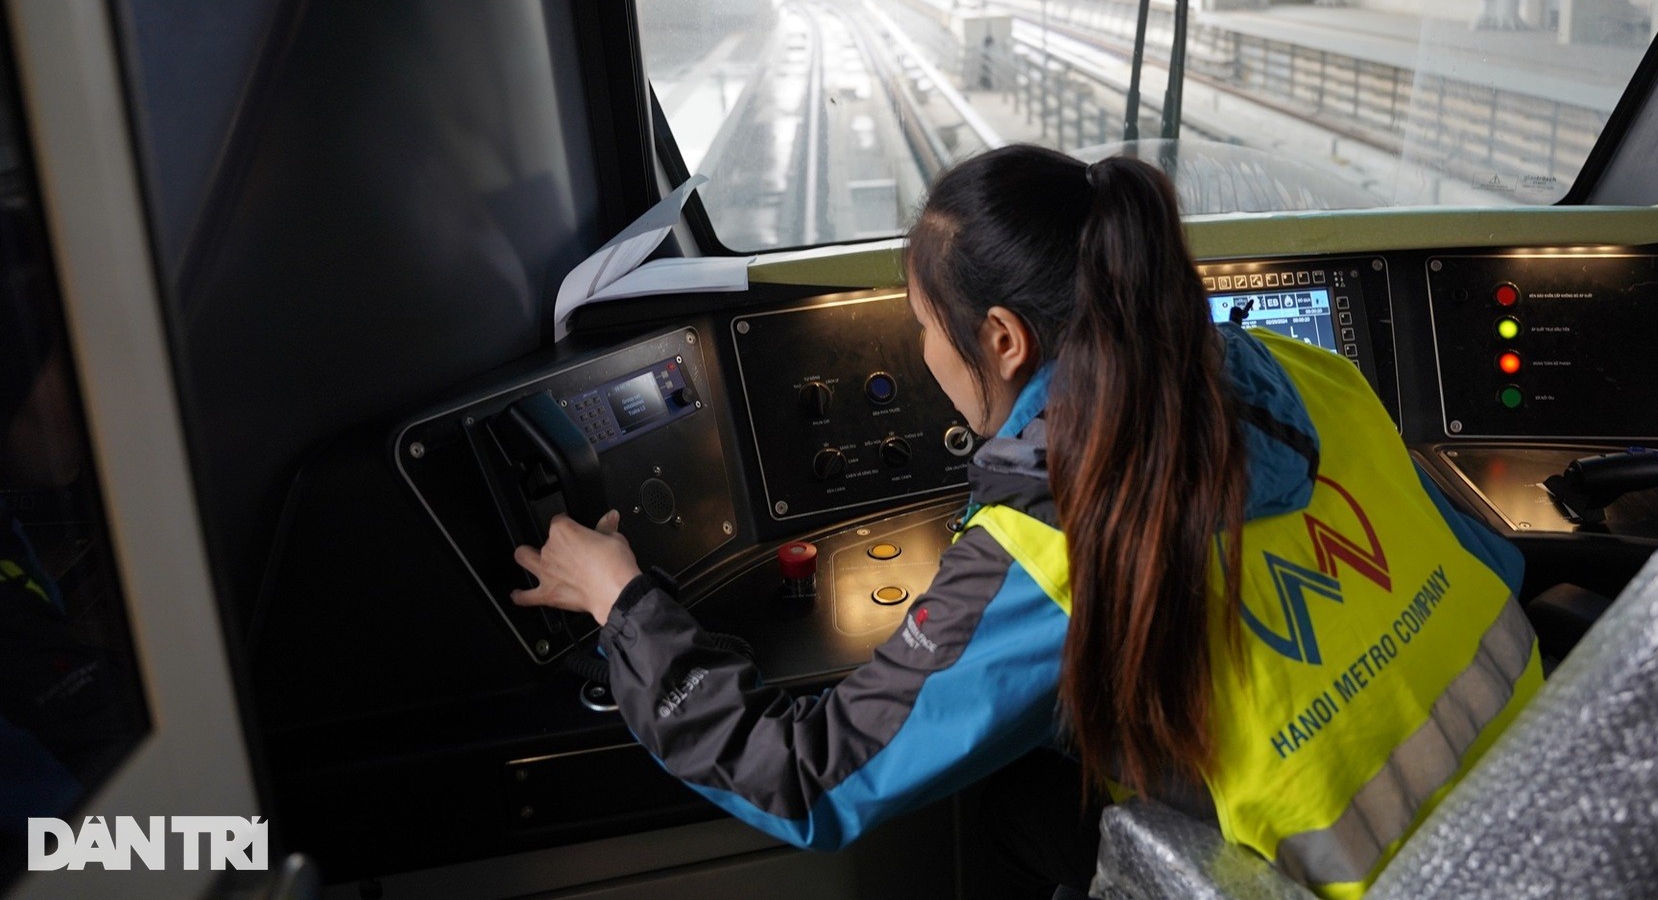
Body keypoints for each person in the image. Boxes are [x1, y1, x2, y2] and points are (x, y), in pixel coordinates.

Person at [512, 146, 1542, 898]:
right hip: (1542, 811)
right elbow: (1487, 557)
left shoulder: (1056, 542)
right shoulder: (1320, 377)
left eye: (923, 328)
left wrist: (622, 598)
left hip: (1357, 874)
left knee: (1004, 803)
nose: (924, 354)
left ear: (1001, 338)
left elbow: (806, 776)